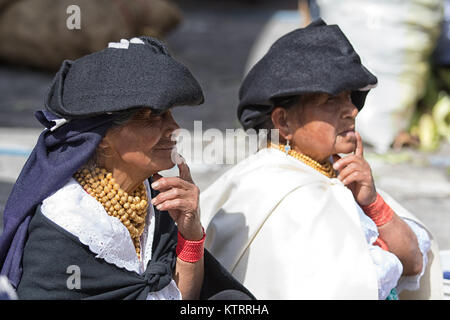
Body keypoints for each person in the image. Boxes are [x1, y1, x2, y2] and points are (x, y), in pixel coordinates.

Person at [200, 19, 443, 300]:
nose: (351, 109)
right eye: (331, 100)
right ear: (283, 122)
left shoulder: (336, 179)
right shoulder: (273, 192)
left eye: (350, 97)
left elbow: (413, 263)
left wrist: (374, 205)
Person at [0, 36, 254, 300]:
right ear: (101, 140)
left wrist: (190, 234)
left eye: (169, 114)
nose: (175, 129)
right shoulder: (64, 228)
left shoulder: (155, 201)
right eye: (152, 118)